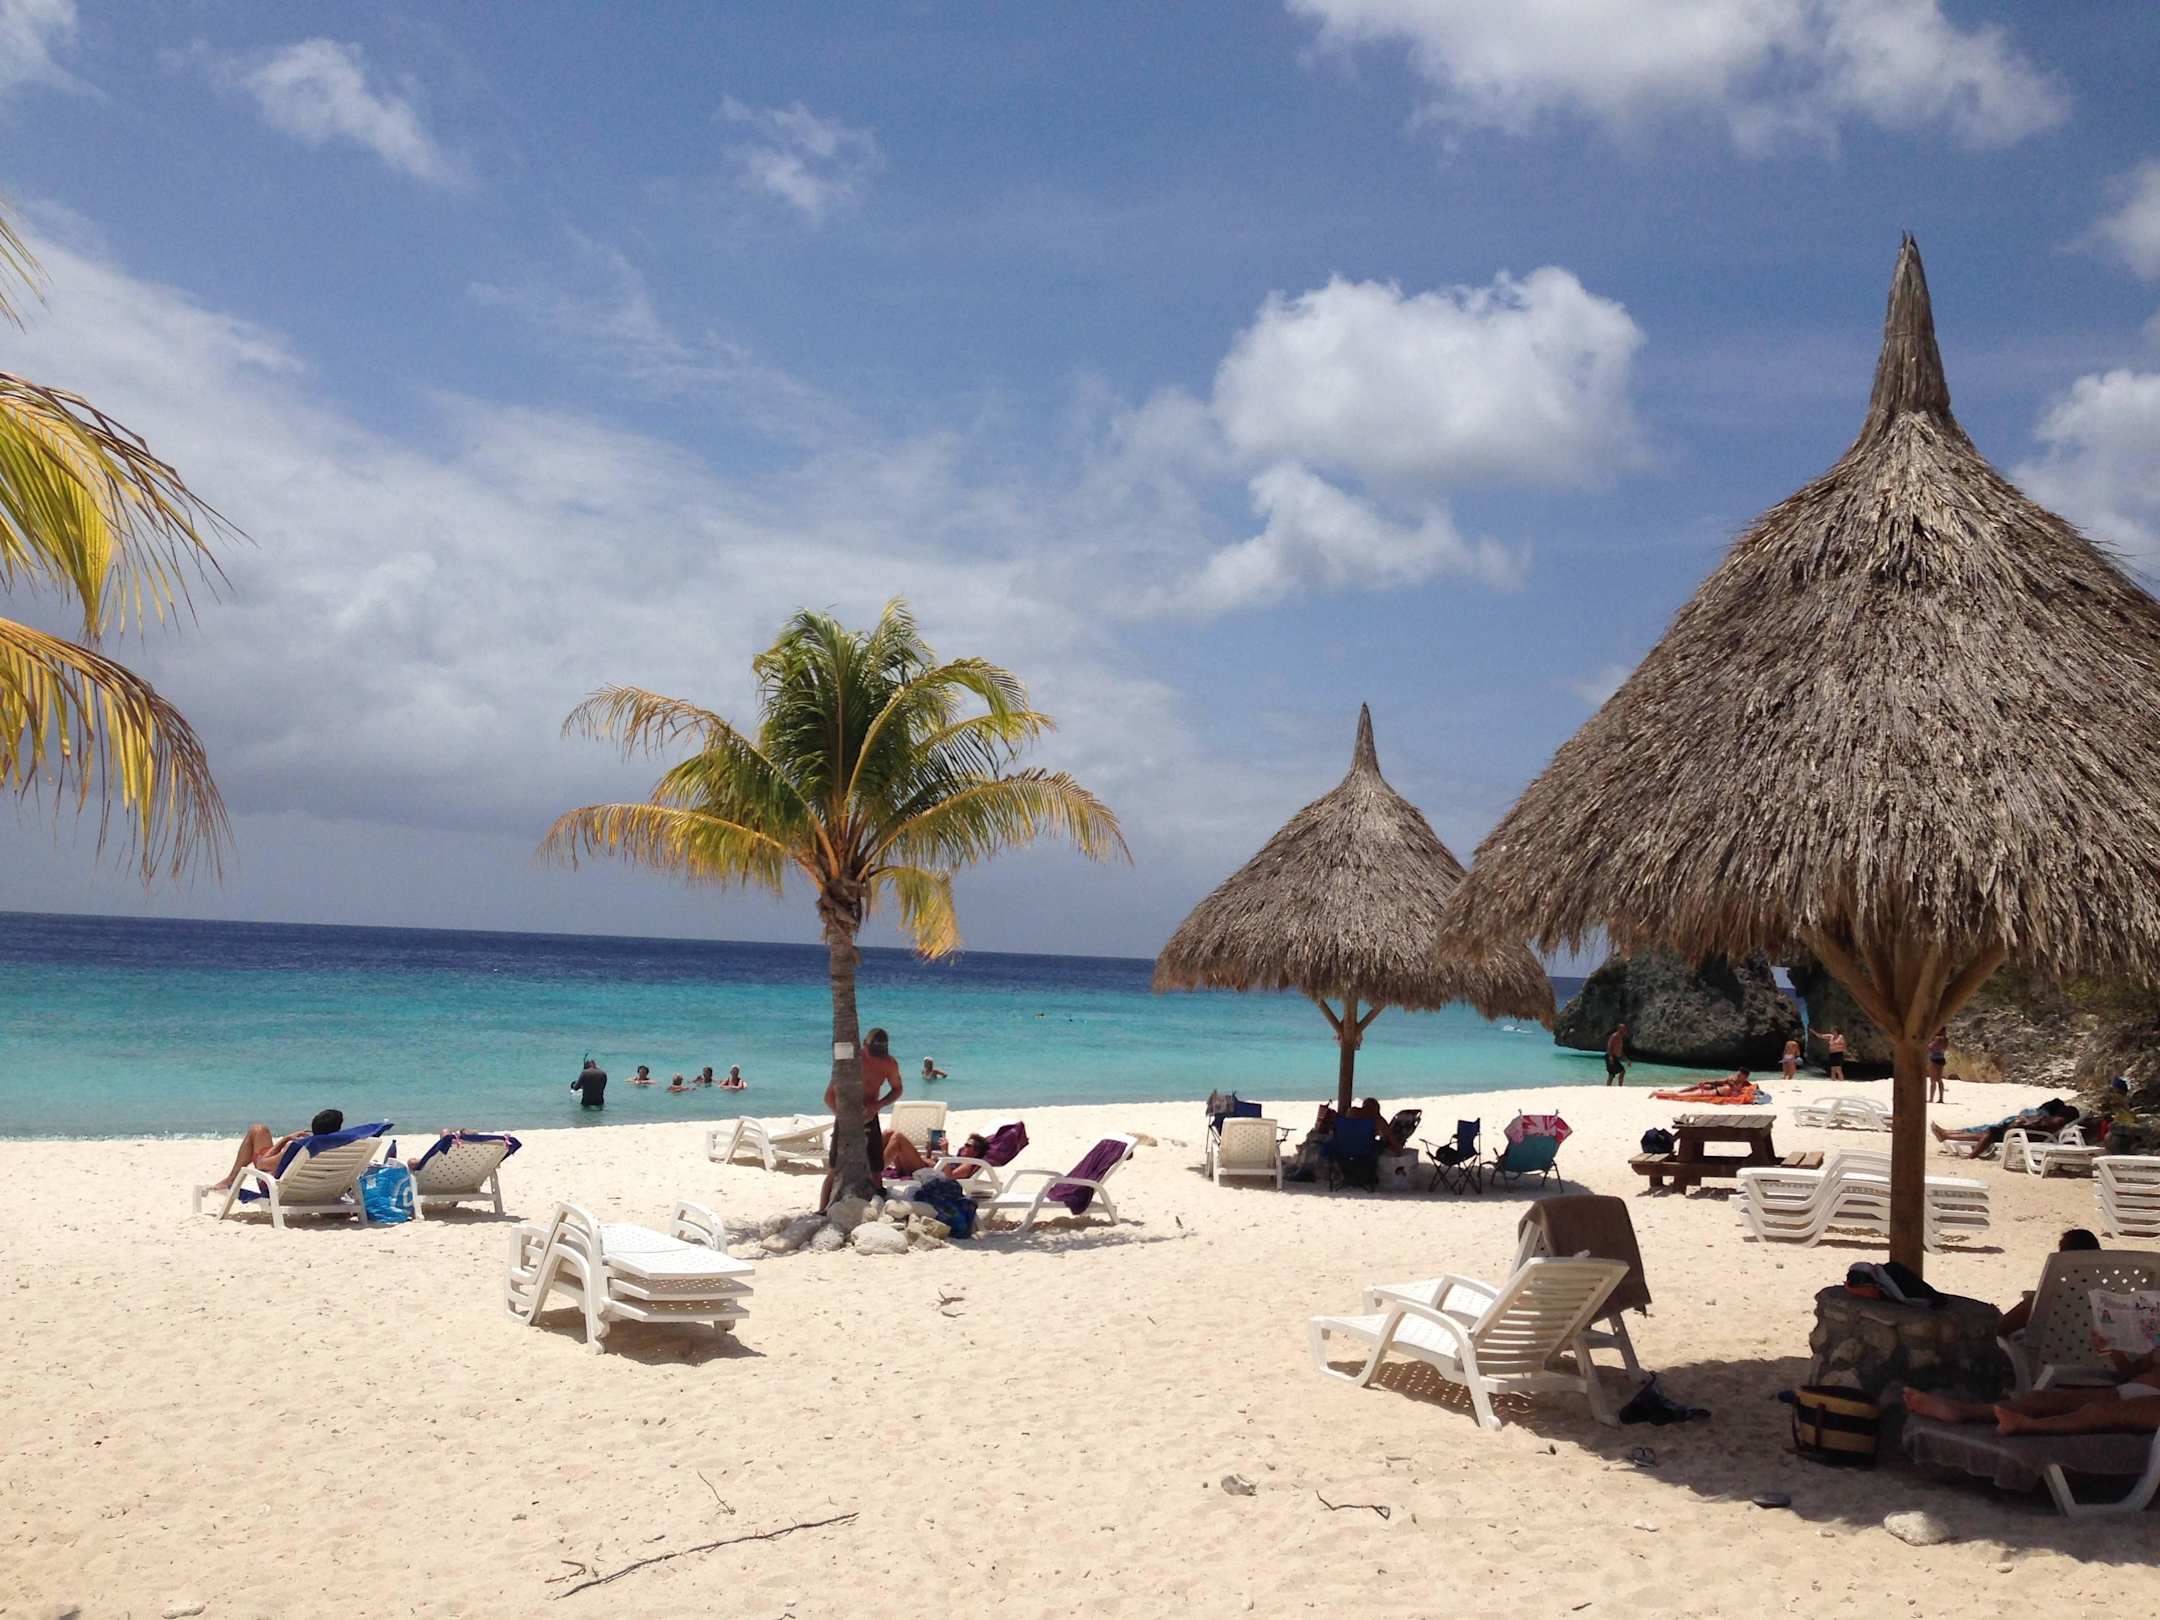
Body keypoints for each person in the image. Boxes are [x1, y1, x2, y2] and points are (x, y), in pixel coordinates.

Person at [1904, 1320, 2160, 1437]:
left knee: (2096, 1412)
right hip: (2137, 1389)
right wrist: (2112, 1349)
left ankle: (2028, 1426)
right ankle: (1961, 1411)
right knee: (2042, 1400)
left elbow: (2003, 1327)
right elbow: (2130, 1374)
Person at [821, 1026, 904, 1210]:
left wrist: (879, 1104)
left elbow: (897, 1088)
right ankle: (822, 1209)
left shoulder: (889, 1063)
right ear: (864, 1044)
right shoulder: (851, 1062)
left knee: (875, 1167)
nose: (874, 1057)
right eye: (871, 1052)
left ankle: (876, 1208)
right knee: (835, 1168)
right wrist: (844, 1118)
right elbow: (828, 1097)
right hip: (846, 1119)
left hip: (871, 1116)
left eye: (879, 1053)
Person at [1997, 1229, 2103, 1338]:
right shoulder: (2106, 1299)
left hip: (2047, 1348)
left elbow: (2001, 1328)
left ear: (2063, 1261)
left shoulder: (2047, 1299)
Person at [210, 1108, 345, 1189]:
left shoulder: (298, 1147)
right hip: (320, 1189)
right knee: (261, 1131)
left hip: (279, 1188)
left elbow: (262, 1164)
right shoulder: (345, 1147)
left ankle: (231, 1179)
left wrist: (285, 1140)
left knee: (257, 1131)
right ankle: (230, 1179)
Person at [1930, 1098, 2077, 1158]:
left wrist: (2022, 1122)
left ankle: (1968, 1153)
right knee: (1985, 1131)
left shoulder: (2056, 1121)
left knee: (1988, 1133)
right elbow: (2038, 1124)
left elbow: (2038, 1126)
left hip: (2021, 1135)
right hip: (2022, 1133)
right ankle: (1947, 1134)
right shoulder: (2057, 1120)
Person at [1927, 1028, 1949, 1103]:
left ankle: (1931, 1098)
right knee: (1939, 1080)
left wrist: (1929, 1043)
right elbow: (1944, 1048)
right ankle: (1941, 1098)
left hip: (1934, 1059)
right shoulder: (1945, 1040)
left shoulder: (1938, 1039)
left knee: (1932, 1080)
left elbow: (1931, 1048)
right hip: (1941, 1059)